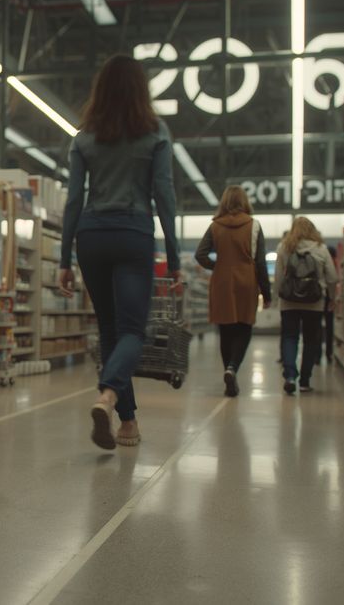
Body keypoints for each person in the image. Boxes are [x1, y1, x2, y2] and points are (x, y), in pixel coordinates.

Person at [58, 54, 180, 450]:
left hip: (91, 235)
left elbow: (73, 201)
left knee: (110, 330)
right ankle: (107, 395)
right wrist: (174, 255)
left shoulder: (84, 137)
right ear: (141, 89)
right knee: (132, 331)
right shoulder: (155, 132)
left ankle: (127, 423)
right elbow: (164, 194)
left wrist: (64, 259)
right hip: (132, 232)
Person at [194, 186, 271, 397]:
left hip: (221, 281)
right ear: (245, 201)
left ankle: (228, 370)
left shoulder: (215, 226)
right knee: (244, 326)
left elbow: (200, 254)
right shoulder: (254, 226)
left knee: (225, 329)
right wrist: (267, 294)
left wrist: (217, 266)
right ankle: (232, 368)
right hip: (247, 280)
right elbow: (260, 263)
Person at [275, 217, 338, 394]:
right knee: (311, 340)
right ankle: (304, 381)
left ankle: (289, 376)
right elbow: (332, 277)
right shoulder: (321, 248)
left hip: (288, 302)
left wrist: (275, 297)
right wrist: (332, 298)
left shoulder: (283, 247)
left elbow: (279, 277)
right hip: (314, 301)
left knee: (290, 337)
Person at [322, 244, 337, 363]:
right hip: (329, 296)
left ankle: (316, 356)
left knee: (316, 326)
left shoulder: (321, 260)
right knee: (329, 326)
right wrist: (332, 298)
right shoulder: (333, 264)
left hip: (319, 296)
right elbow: (333, 279)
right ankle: (329, 353)